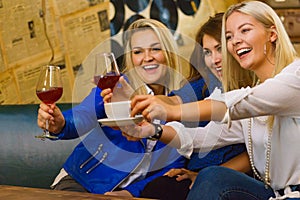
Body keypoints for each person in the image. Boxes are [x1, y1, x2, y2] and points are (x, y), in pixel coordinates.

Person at [119, 1, 300, 199]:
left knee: (212, 176)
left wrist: (169, 111)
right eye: (229, 37)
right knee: (211, 177)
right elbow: (203, 137)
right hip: (272, 194)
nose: (235, 41)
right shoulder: (247, 95)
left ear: (272, 34)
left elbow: (229, 105)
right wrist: (153, 130)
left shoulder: (295, 78)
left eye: (245, 30)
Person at [36, 18, 186, 198]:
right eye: (138, 51)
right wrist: (60, 124)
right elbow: (84, 114)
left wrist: (130, 193)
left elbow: (173, 166)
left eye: (156, 49)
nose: (147, 57)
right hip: (83, 181)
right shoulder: (117, 86)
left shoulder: (183, 103)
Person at [137, 13, 250, 200]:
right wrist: (143, 103)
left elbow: (253, 154)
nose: (214, 59)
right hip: (199, 170)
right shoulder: (210, 83)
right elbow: (176, 102)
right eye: (207, 52)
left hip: (231, 176)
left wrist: (204, 176)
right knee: (159, 188)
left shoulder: (259, 91)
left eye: (219, 49)